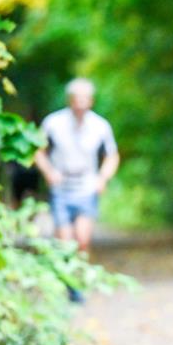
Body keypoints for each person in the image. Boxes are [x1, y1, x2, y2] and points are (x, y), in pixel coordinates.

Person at [34, 78, 120, 303]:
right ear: (69, 100)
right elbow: (38, 151)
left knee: (82, 240)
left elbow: (112, 155)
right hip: (61, 187)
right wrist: (49, 172)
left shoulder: (100, 126)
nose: (80, 103)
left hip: (86, 186)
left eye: (85, 98)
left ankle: (76, 280)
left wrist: (103, 178)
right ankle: (69, 284)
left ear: (91, 101)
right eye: (76, 98)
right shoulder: (53, 123)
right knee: (64, 241)